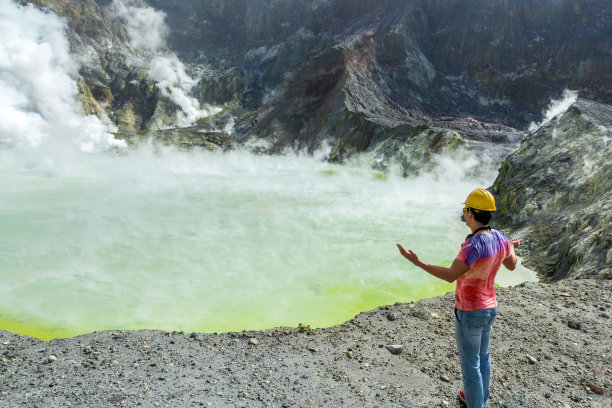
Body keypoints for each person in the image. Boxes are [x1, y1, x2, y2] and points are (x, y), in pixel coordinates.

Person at [396, 188, 522, 408]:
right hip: (490, 307)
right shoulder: (501, 238)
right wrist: (511, 247)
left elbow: (450, 275)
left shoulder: (472, 246)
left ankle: (476, 404)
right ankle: (479, 399)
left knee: (470, 366)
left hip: (470, 311)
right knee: (484, 357)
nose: (464, 213)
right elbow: (512, 265)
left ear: (471, 214)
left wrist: (418, 263)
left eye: (465, 209)